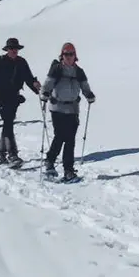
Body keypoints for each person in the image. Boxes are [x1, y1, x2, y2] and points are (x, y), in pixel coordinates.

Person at [0, 37, 41, 166]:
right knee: (8, 121)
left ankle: (1, 154)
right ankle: (12, 154)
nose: (14, 51)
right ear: (7, 50)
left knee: (7, 123)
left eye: (15, 49)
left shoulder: (22, 62)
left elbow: (28, 78)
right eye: (11, 49)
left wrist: (35, 86)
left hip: (14, 97)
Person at [42, 41, 96, 181]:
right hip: (57, 108)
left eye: (71, 54)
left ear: (75, 55)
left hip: (72, 109)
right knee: (60, 136)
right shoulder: (57, 69)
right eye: (66, 54)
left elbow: (85, 87)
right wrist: (45, 93)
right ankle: (50, 161)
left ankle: (68, 170)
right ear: (62, 55)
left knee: (70, 140)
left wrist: (89, 95)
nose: (69, 57)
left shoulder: (79, 71)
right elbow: (47, 84)